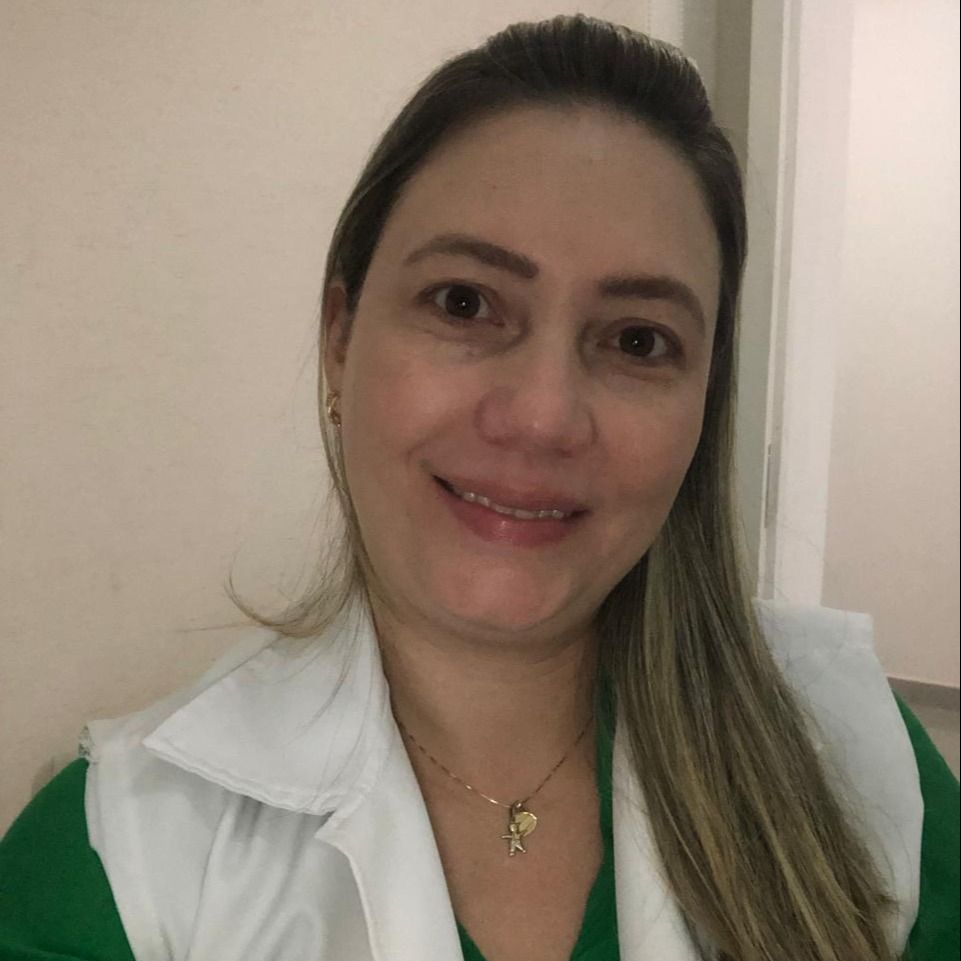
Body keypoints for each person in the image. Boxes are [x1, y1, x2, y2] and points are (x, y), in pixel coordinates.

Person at [0, 13, 957, 961]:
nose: (541, 416)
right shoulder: (112, 860)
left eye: (637, 340)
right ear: (340, 340)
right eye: (464, 303)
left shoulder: (866, 767)